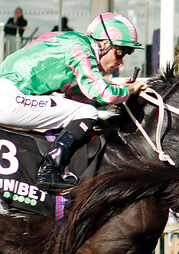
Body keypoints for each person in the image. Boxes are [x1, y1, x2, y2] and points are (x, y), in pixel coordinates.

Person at [0, 12, 146, 191]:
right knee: (87, 113)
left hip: (10, 95)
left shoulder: (73, 42)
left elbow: (78, 96)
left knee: (84, 111)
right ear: (105, 44)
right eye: (121, 52)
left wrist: (118, 89)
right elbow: (102, 94)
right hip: (9, 97)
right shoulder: (81, 50)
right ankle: (50, 169)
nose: (121, 62)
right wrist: (129, 90)